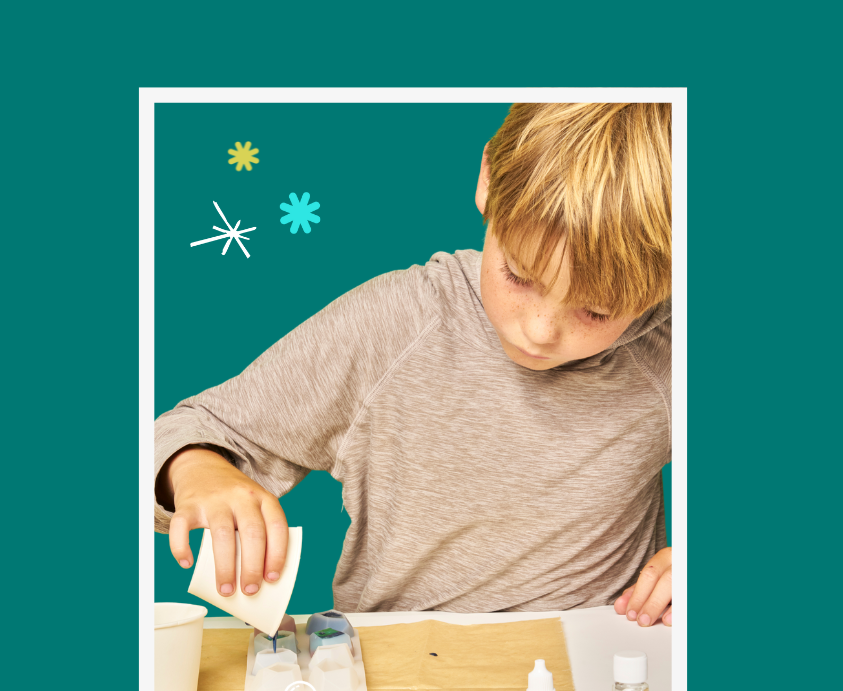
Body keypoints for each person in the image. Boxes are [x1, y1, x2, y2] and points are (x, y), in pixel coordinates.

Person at [154, 103, 673, 627]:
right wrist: (198, 468)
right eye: (519, 275)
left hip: (602, 669)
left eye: (595, 310)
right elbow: (188, 428)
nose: (540, 330)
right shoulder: (398, 324)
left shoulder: (668, 342)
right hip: (400, 667)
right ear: (488, 181)